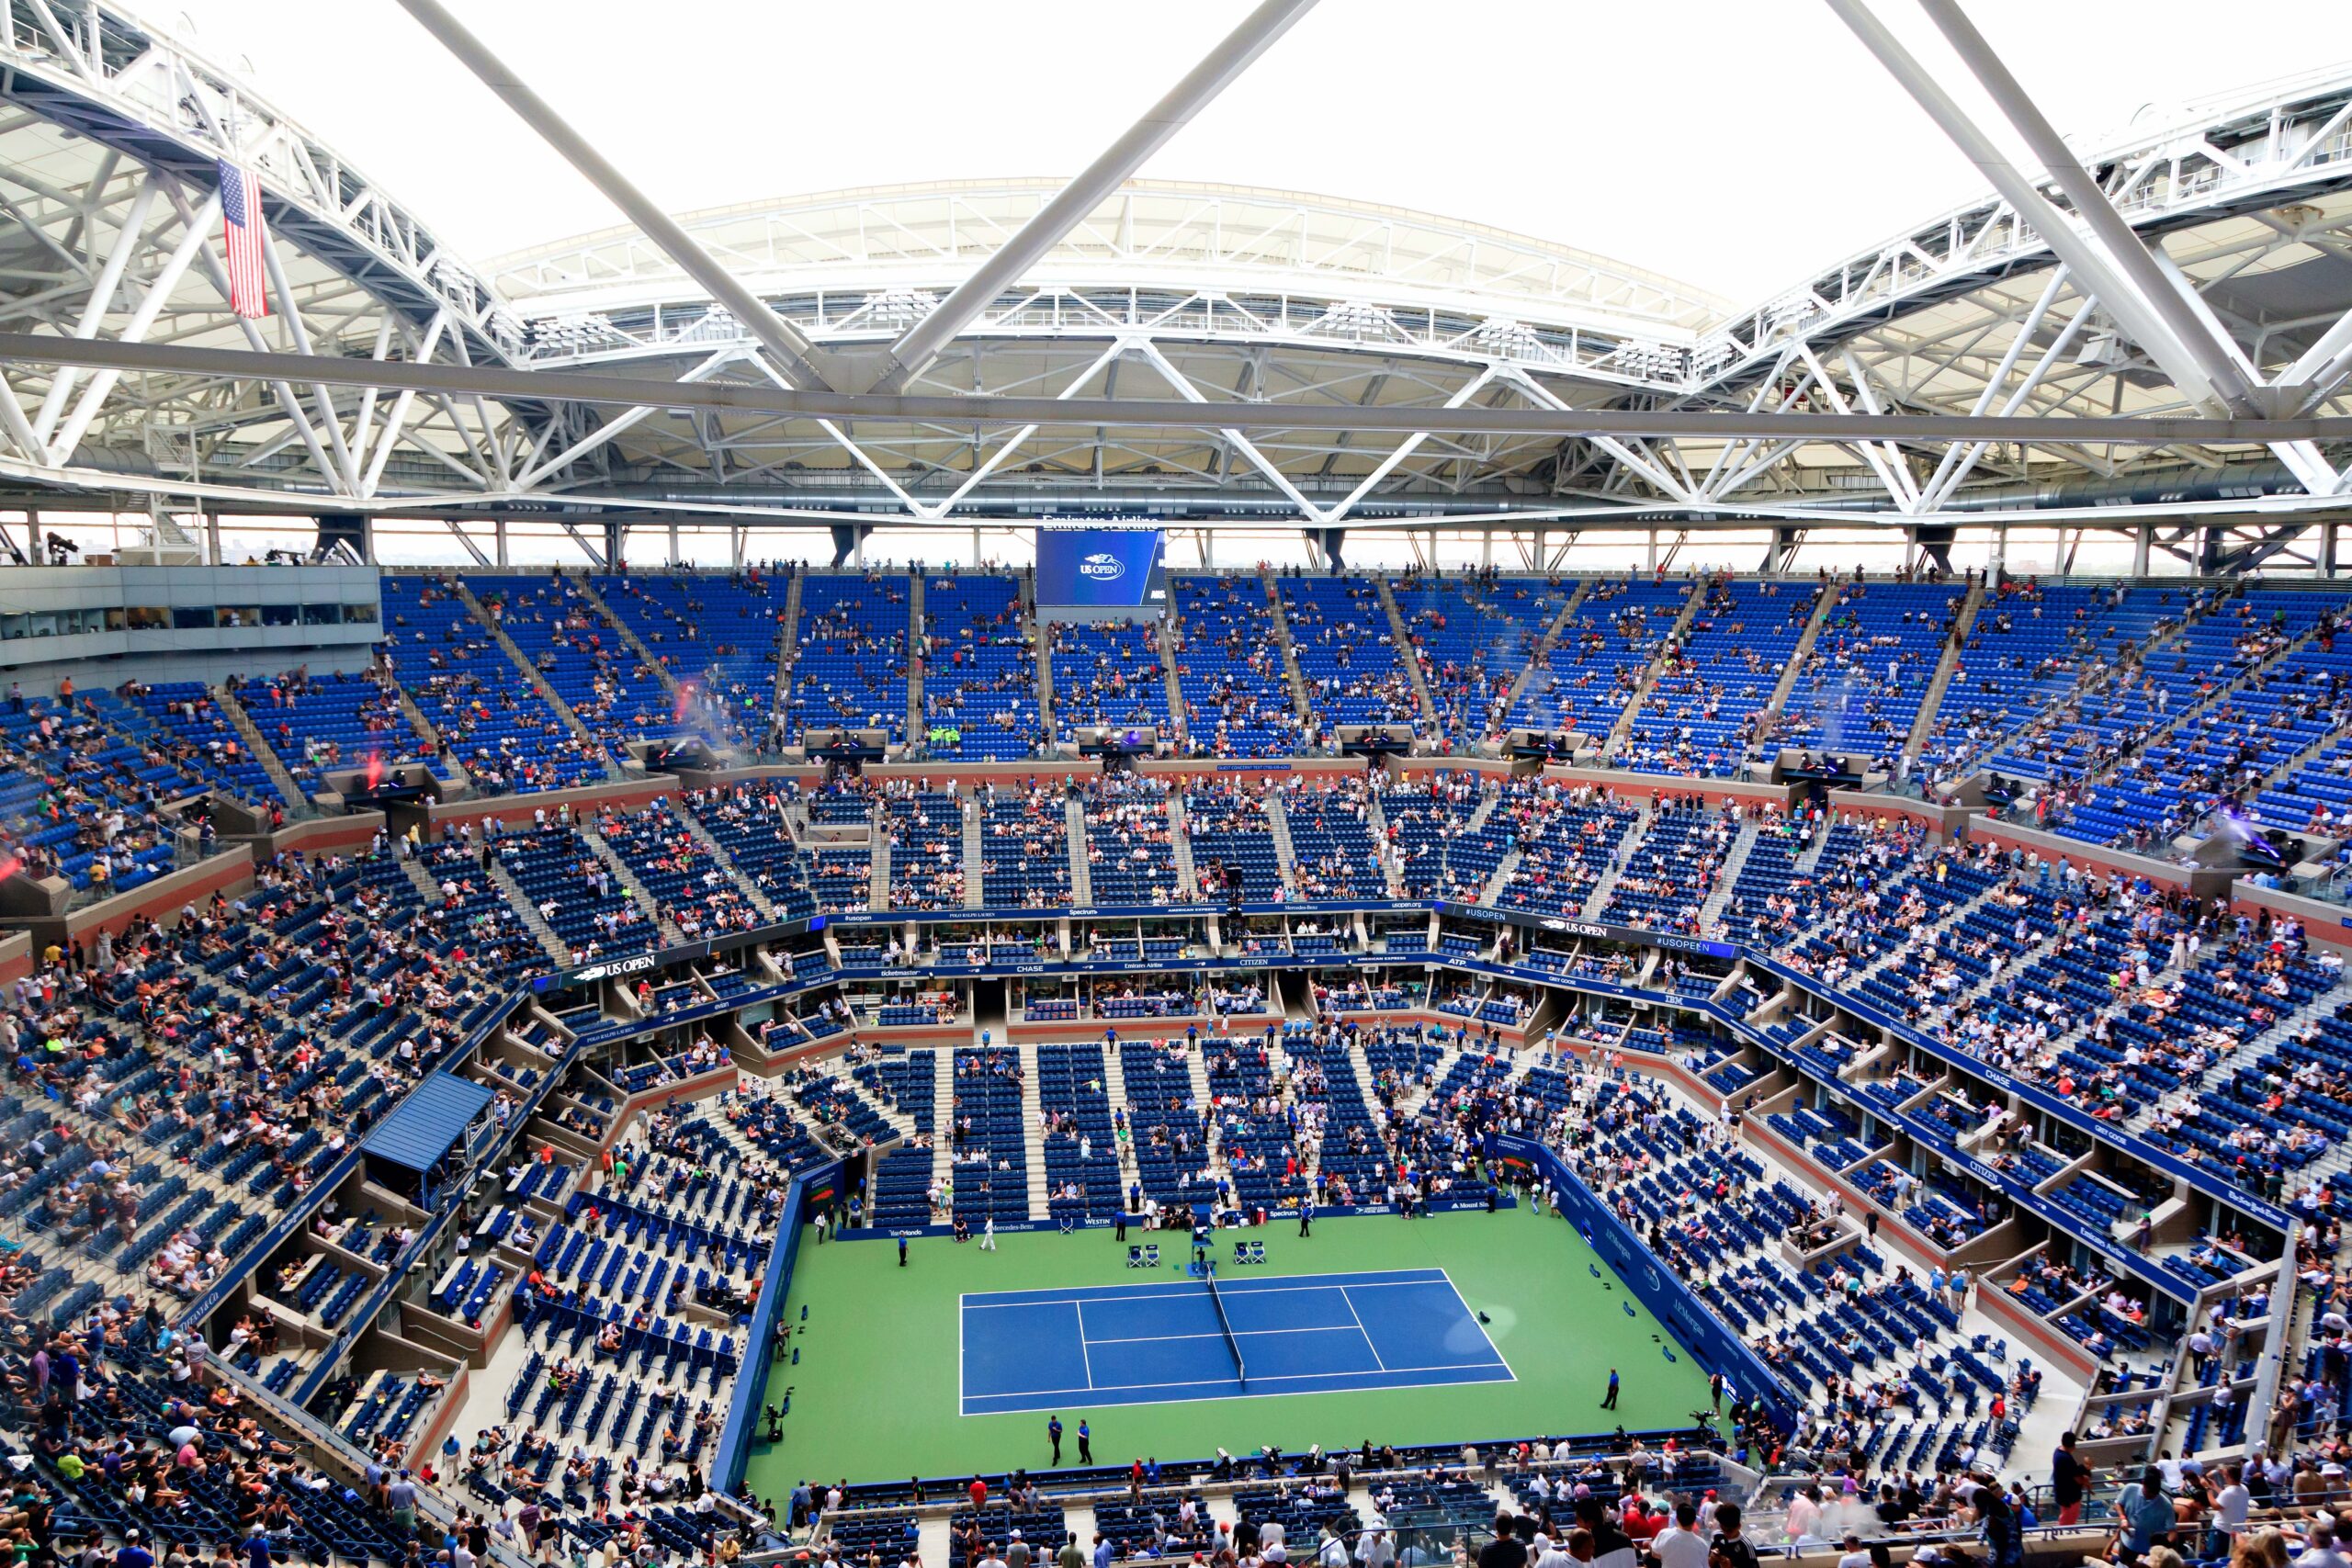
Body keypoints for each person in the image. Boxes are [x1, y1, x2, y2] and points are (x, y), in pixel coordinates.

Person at [2119, 1468, 2176, 1566]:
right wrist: (2123, 1518)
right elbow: (2119, 1504)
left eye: (2153, 1495)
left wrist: (2163, 1548)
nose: (2150, 1496)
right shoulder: (2129, 1488)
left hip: (2149, 1551)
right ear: (2143, 1483)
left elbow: (2172, 1531)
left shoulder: (2166, 1505)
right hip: (2127, 1543)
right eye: (2148, 1493)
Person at [2052, 1432, 2088, 1528]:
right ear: (2073, 1445)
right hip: (2070, 1497)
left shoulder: (2057, 1451)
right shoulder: (2066, 1459)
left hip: (2062, 1494)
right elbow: (2078, 1479)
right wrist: (2086, 1471)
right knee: (2067, 1522)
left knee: (2064, 1517)